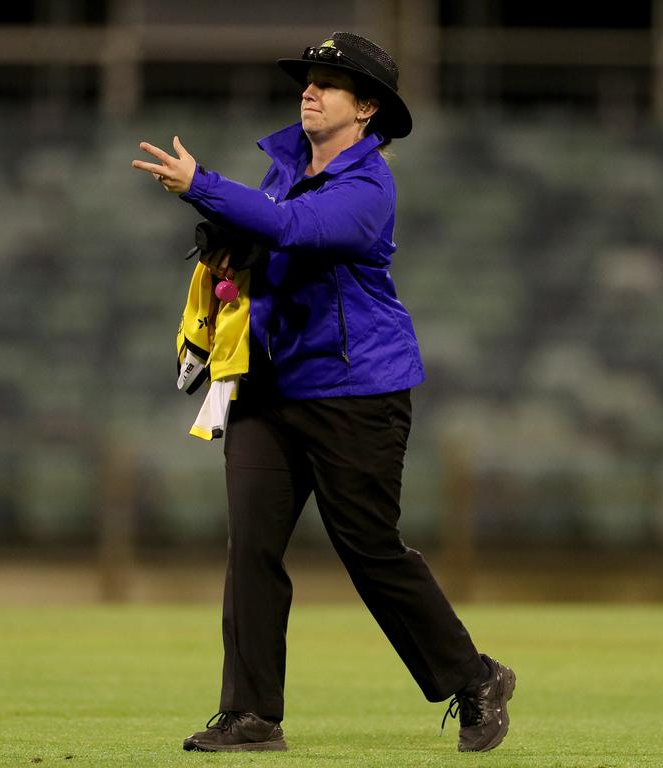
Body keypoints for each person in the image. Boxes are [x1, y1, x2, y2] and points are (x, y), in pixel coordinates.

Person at [131, 32, 515, 754]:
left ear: (366, 109)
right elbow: (271, 235)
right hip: (269, 388)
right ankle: (250, 715)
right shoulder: (280, 171)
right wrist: (228, 258)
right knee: (252, 548)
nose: (310, 89)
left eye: (330, 83)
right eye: (308, 79)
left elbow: (295, 228)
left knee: (369, 550)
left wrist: (204, 185)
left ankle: (476, 677)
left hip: (356, 391)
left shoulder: (370, 186)